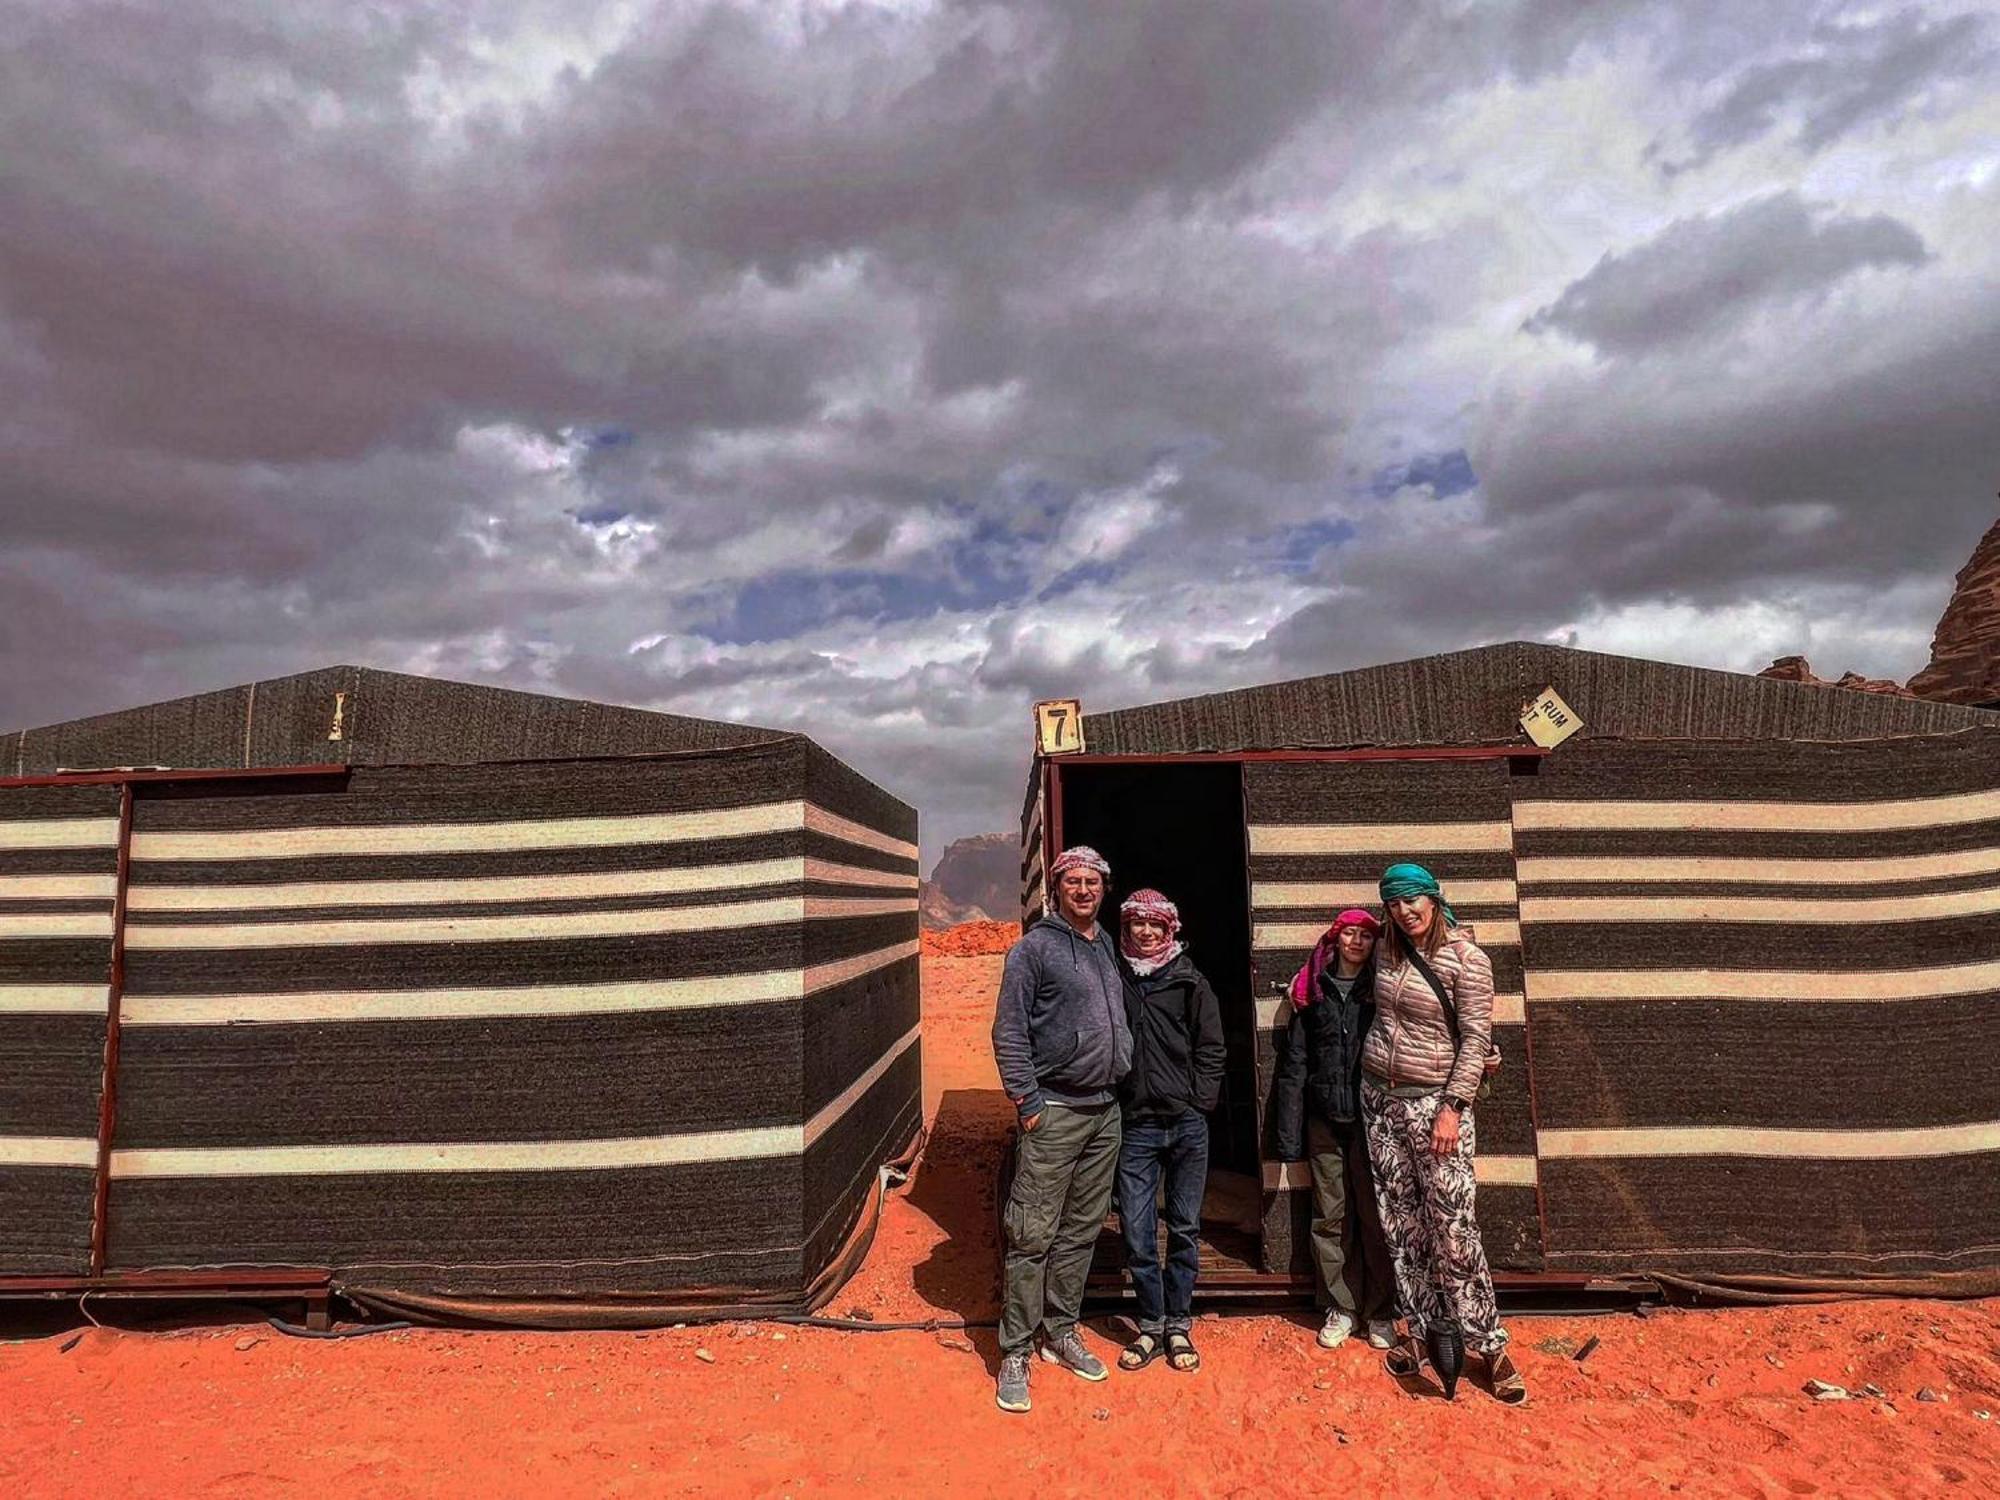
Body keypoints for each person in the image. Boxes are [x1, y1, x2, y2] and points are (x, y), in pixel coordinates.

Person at [1359, 862, 1526, 1404]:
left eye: (1413, 901)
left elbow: (1477, 1038)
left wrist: (1454, 1107)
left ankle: (1489, 1345)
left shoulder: (1467, 959)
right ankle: (1426, 1332)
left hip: (1438, 1106)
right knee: (1402, 1225)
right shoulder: (1386, 947)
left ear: (1433, 899)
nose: (1405, 912)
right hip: (1381, 1100)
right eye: (1394, 903)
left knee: (1453, 1228)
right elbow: (1339, 959)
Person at [989, 845, 1134, 1414]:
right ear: (1057, 888)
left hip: (1105, 1112)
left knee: (1081, 1230)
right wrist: (1028, 1103)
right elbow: (1010, 1032)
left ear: (1104, 888)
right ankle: (1016, 1351)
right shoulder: (1034, 950)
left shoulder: (1107, 950)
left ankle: (1062, 1330)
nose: (1083, 890)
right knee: (1031, 1234)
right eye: (1073, 881)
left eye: (1092, 882)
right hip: (1054, 1111)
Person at [1271, 907, 1398, 1352]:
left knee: (1375, 1215)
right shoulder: (1313, 995)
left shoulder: (1382, 992)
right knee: (1330, 1216)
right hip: (1325, 1120)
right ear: (1336, 939)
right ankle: (1341, 1307)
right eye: (1350, 934)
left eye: (1366, 935)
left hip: (1372, 1121)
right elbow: (1294, 1065)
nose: (1357, 942)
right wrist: (1287, 1135)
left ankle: (1381, 1311)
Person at [1110, 889, 1225, 1375]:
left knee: (1183, 1228)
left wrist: (1198, 1102)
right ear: (1128, 927)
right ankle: (1150, 1324)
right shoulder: (1116, 977)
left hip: (1185, 1126)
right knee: (1137, 1232)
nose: (1148, 932)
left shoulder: (1188, 980)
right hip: (1137, 1126)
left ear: (1169, 929)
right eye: (1139, 924)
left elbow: (1212, 1047)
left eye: (1156, 925)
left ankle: (1178, 1323)